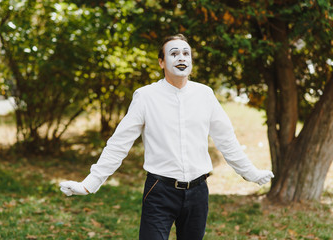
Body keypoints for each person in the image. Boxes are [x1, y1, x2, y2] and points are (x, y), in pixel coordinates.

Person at [59, 34, 274, 240]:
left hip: (198, 192)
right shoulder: (145, 97)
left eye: (186, 53)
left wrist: (252, 173)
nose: (181, 57)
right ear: (161, 62)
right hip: (159, 191)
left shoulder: (205, 95)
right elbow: (118, 145)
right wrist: (90, 183)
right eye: (173, 54)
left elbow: (227, 141)